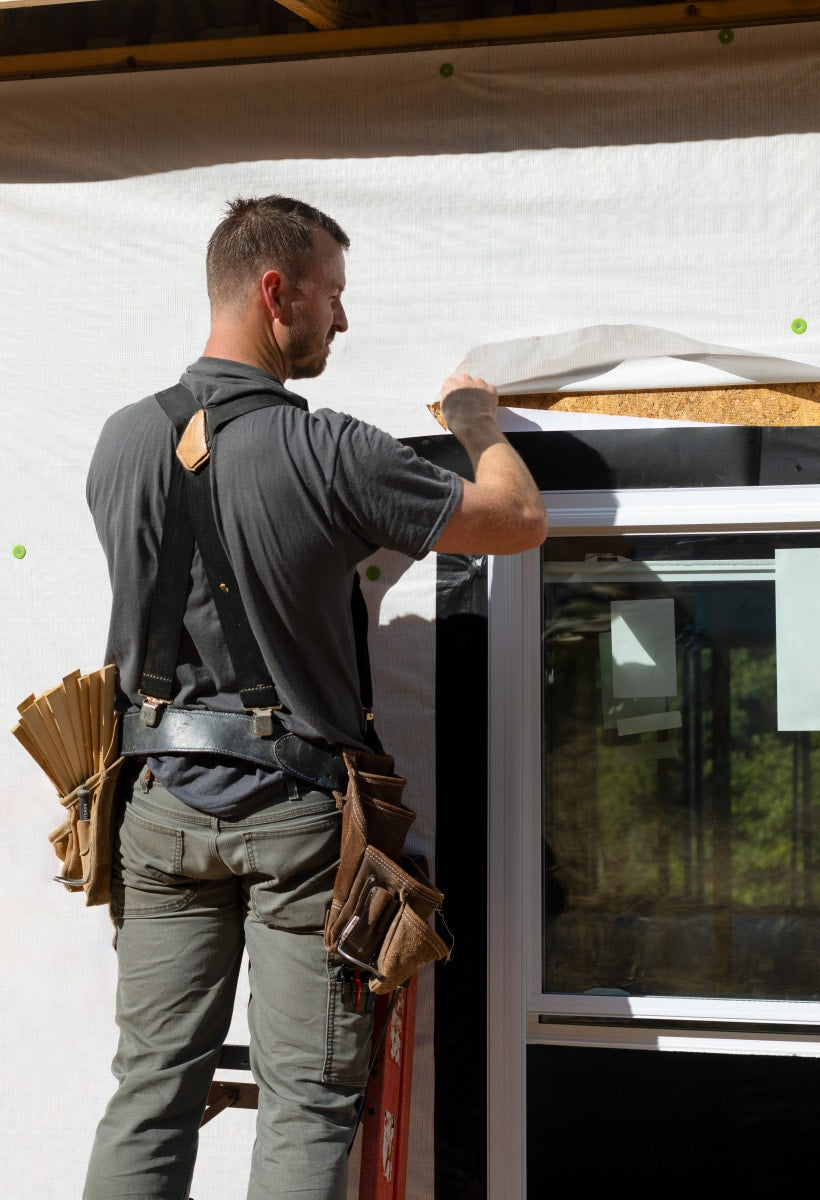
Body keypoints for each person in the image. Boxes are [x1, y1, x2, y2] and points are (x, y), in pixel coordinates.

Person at [81, 195, 547, 1200]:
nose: (343, 318)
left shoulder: (118, 443)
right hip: (295, 819)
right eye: (332, 294)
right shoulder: (329, 449)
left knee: (151, 1092)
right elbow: (515, 520)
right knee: (308, 1103)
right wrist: (476, 422)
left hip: (155, 811)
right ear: (275, 292)